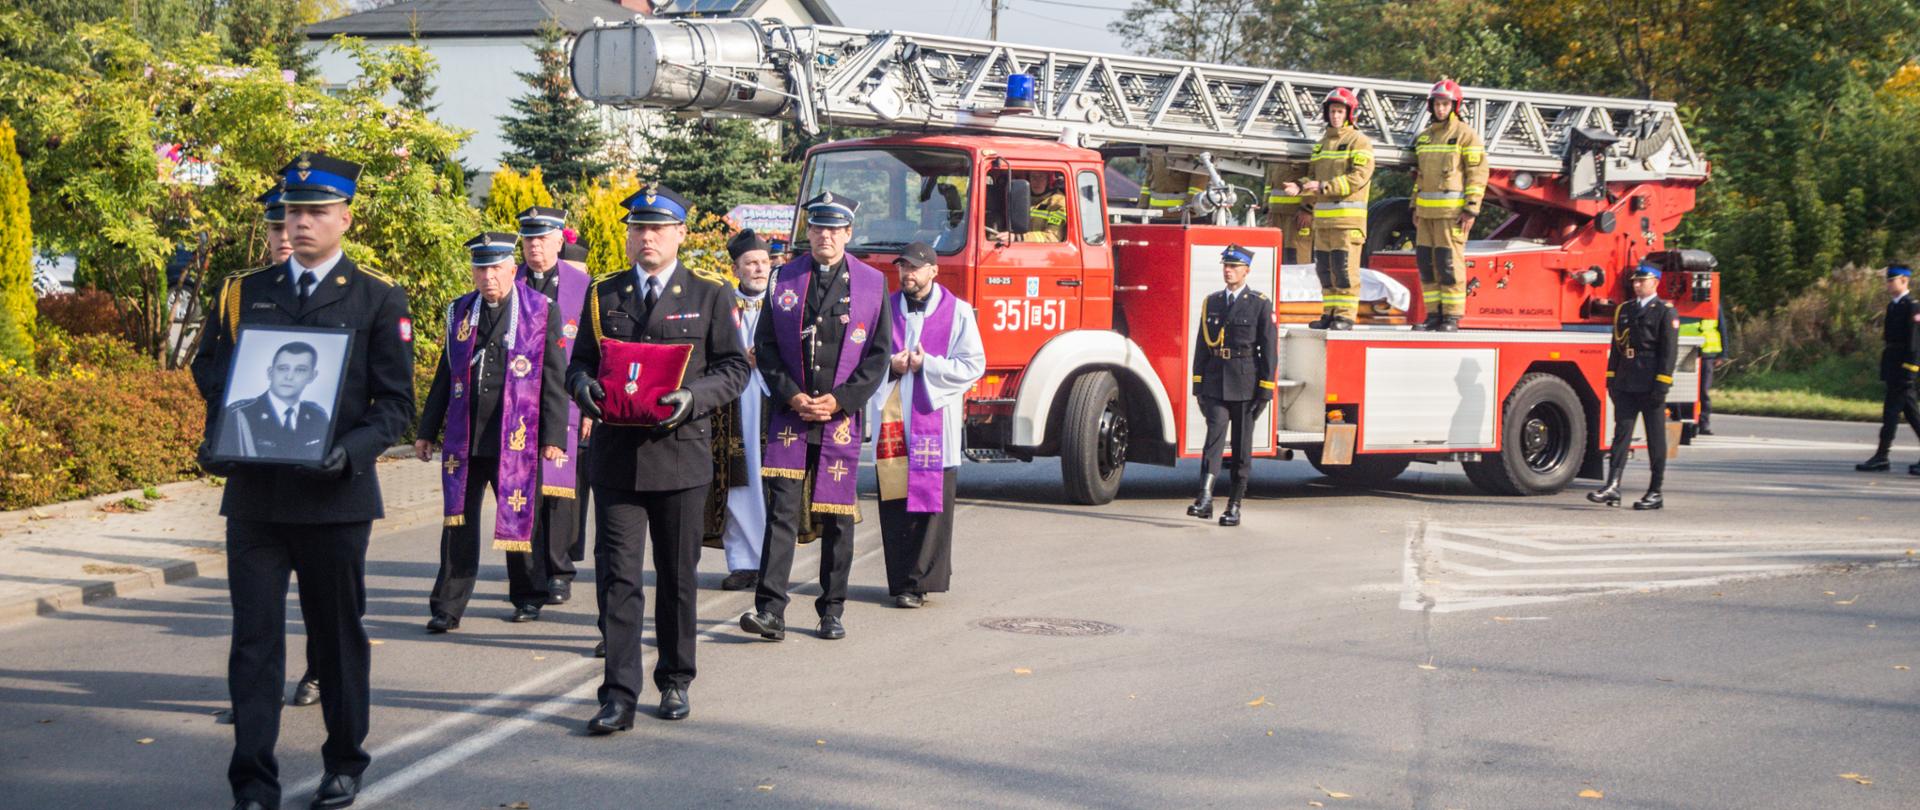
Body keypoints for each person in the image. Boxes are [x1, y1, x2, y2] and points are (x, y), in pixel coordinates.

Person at [191, 152, 413, 810]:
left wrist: (347, 452)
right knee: (254, 643)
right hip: (257, 498)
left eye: (317, 211)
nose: (302, 223)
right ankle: (253, 781)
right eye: (293, 211)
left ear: (345, 217)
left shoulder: (376, 296)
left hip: (334, 500)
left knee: (336, 637)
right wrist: (227, 427)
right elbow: (210, 367)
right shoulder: (245, 291)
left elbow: (395, 405)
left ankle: (344, 760)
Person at [567, 184, 748, 732]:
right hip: (617, 459)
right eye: (637, 228)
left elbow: (734, 369)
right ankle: (618, 694)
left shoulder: (711, 294)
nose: (646, 237)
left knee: (676, 577)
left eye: (658, 228)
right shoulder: (604, 295)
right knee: (618, 578)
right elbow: (578, 364)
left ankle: (674, 679)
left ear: (679, 235)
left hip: (680, 458)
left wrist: (694, 399)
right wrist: (584, 392)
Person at [740, 191, 893, 642]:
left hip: (838, 418)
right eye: (818, 227)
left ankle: (832, 609)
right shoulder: (784, 279)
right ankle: (770, 610)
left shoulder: (871, 284)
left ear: (848, 233)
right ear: (808, 232)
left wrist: (841, 400)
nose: (825, 235)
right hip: (791, 415)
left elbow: (878, 353)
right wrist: (790, 395)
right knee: (782, 513)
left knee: (837, 517)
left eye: (834, 228)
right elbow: (765, 345)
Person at [416, 232, 569, 629]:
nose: (488, 277)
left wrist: (554, 437)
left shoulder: (540, 309)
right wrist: (427, 430)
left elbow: (554, 377)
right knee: (457, 524)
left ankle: (528, 595)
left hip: (515, 435)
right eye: (481, 268)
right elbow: (445, 374)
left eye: (496, 268)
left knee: (521, 518)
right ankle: (447, 607)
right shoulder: (459, 311)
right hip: (466, 437)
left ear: (511, 269)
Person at [874, 241, 985, 607]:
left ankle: (919, 582)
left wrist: (929, 366)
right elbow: (865, 361)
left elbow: (973, 365)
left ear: (933, 271)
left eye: (915, 268)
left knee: (930, 505)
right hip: (893, 418)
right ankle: (900, 579)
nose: (908, 274)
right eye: (903, 268)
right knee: (895, 504)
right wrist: (893, 366)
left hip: (936, 420)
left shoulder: (959, 313)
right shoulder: (884, 310)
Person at [515, 206, 594, 606]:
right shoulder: (507, 283)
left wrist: (592, 410)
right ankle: (530, 578)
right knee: (523, 490)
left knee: (563, 492)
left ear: (559, 241)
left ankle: (559, 572)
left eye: (543, 239)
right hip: (518, 404)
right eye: (528, 239)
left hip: (567, 400)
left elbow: (597, 352)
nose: (535, 247)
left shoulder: (583, 286)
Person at [1185, 245, 1278, 526]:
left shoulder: (1259, 303)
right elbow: (1202, 346)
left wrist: (1265, 390)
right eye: (1226, 265)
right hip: (1215, 381)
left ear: (1246, 271)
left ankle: (1234, 504)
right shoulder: (1211, 302)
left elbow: (1269, 350)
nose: (1228, 270)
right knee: (1212, 442)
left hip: (1246, 384)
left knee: (1241, 447)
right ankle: (1204, 498)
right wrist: (1198, 386)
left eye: (1234, 267)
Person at [707, 228, 775, 591]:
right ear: (736, 269)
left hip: (771, 399)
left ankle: (772, 561)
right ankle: (743, 563)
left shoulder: (783, 302)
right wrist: (738, 359)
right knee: (736, 481)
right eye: (751, 263)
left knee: (769, 482)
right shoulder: (722, 303)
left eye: (764, 262)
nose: (760, 269)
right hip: (730, 404)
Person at [1589, 263, 1679, 510]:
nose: (1637, 285)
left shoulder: (1664, 311)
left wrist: (1662, 383)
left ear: (1655, 282)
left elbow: (1668, 353)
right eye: (1635, 281)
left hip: (1651, 384)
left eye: (1642, 280)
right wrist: (1611, 379)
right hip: (1626, 382)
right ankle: (1612, 486)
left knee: (1655, 439)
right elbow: (1617, 347)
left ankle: (1655, 491)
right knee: (1621, 436)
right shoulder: (1625, 310)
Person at [1409, 78, 1489, 332]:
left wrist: (1471, 209)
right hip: (1426, 215)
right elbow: (1419, 177)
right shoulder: (1424, 139)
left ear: (1454, 106)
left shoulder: (1466, 135)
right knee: (1427, 264)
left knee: (1448, 264)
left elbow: (1477, 173)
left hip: (1452, 215)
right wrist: (1414, 207)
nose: (1440, 109)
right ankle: (1433, 315)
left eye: (1445, 104)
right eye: (1437, 104)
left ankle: (1452, 317)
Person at [1293, 88, 1374, 330]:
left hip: (1348, 223)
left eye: (1340, 111)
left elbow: (1358, 177)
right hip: (1324, 222)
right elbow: (1312, 177)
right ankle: (1329, 313)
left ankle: (1345, 316)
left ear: (1349, 114)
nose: (1335, 116)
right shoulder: (1321, 145)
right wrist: (1299, 187)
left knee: (1345, 271)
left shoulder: (1359, 142)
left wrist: (1325, 186)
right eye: (1332, 111)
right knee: (1325, 271)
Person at [213, 341, 331, 461]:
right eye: (283, 368)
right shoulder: (240, 414)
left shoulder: (318, 417)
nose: (289, 376)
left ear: (312, 376)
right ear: (270, 372)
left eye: (300, 370)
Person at [1857, 264, 1920, 473]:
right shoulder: (1893, 306)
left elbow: (1914, 341)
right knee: (1910, 414)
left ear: (1904, 281)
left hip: (1904, 368)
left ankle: (1881, 456)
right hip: (1893, 365)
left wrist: (1911, 369)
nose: (1888, 284)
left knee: (1891, 413)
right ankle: (1881, 457)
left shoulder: (1912, 306)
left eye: (1892, 280)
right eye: (1887, 280)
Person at [1678, 299, 1724, 435]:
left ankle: (1704, 423)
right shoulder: (1683, 304)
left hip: (1707, 353)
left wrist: (1722, 354)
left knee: (1703, 391)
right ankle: (1685, 422)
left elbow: (1722, 328)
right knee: (1685, 390)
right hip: (1686, 351)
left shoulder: (1715, 305)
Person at [1263, 162, 1311, 265]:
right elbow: (1269, 183)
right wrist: (1267, 206)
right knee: (1276, 256)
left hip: (1296, 216)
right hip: (1275, 215)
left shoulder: (1305, 150)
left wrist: (1307, 209)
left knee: (1296, 256)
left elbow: (1313, 179)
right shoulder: (1276, 154)